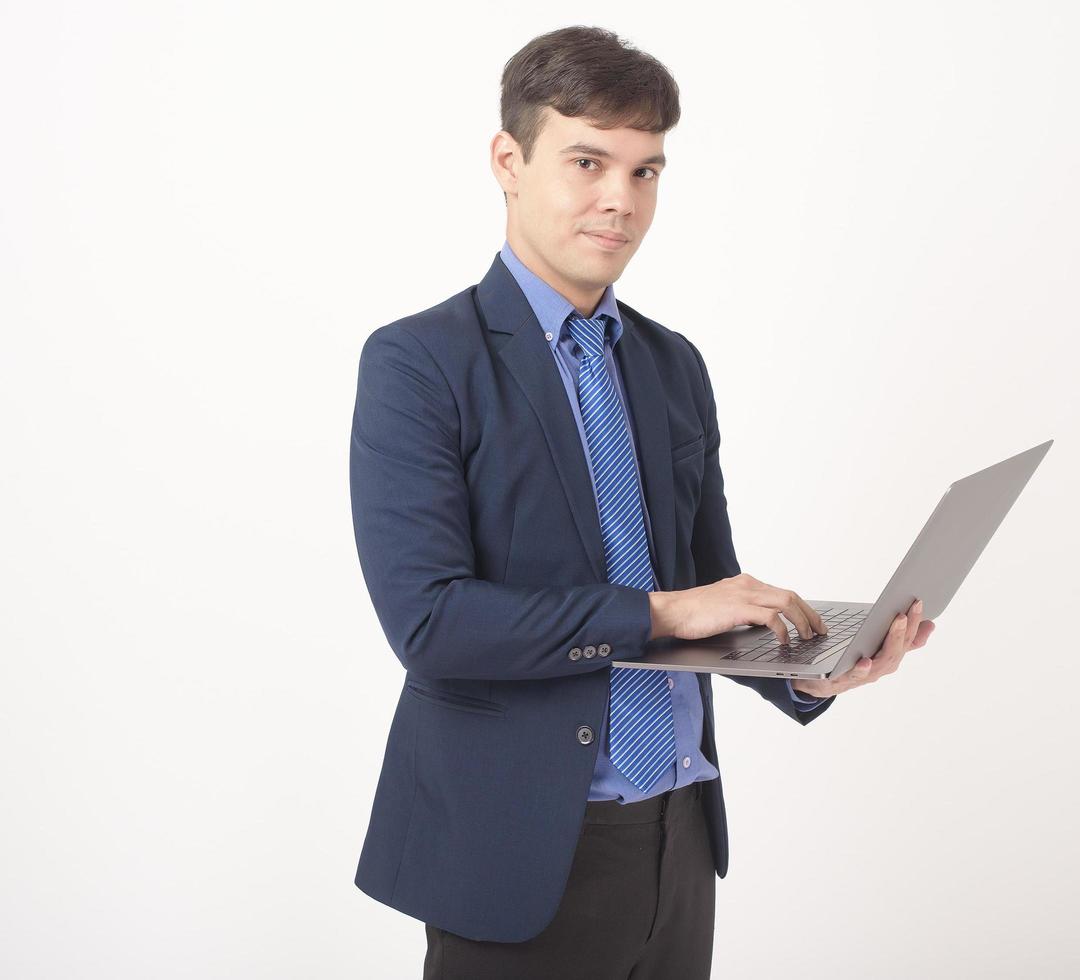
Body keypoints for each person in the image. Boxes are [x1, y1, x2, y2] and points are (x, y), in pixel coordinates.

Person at [347, 24, 936, 978]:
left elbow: (711, 592)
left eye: (647, 171)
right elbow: (430, 622)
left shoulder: (672, 365)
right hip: (520, 849)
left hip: (681, 842)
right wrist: (660, 612)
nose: (620, 199)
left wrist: (809, 668)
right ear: (509, 159)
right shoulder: (420, 364)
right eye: (588, 161)